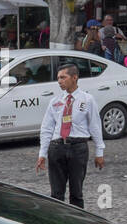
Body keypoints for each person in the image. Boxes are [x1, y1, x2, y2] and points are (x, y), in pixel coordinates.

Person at [35, 64, 104, 208]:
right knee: (56, 194)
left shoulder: (87, 99)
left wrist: (99, 152)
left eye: (63, 77)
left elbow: (95, 126)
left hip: (78, 148)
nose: (59, 81)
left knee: (76, 193)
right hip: (57, 147)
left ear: (74, 78)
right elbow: (47, 128)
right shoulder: (55, 101)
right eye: (58, 78)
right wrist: (43, 153)